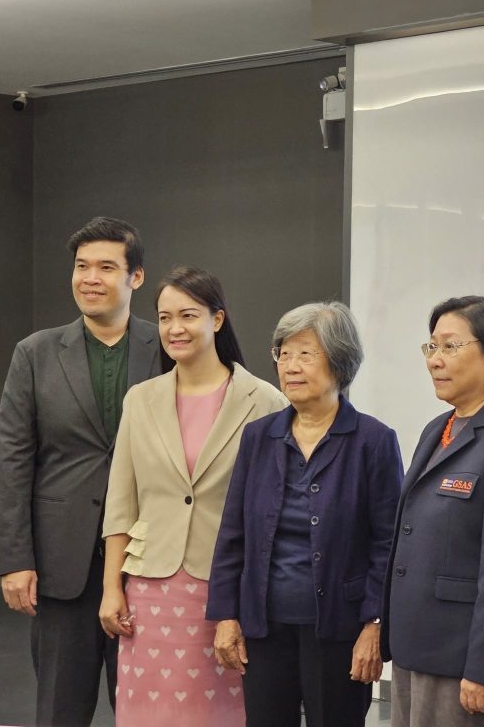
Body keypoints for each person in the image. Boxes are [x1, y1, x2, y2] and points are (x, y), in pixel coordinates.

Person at [99, 266, 287, 725]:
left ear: (217, 319)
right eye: (165, 318)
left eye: (188, 315)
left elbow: (272, 513)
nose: (174, 329)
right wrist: (111, 588)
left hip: (226, 591)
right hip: (149, 587)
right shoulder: (140, 399)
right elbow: (121, 502)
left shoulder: (265, 401)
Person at [0, 217, 162, 726]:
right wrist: (15, 558)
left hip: (150, 558)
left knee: (147, 708)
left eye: (106, 267)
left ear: (135, 277)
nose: (90, 278)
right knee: (60, 709)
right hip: (62, 562)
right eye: (82, 266)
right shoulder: (35, 353)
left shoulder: (168, 348)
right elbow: (12, 460)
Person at [206, 302, 402, 727]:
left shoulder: (373, 441)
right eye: (284, 353)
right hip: (264, 626)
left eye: (306, 354)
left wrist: (374, 624)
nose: (290, 366)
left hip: (340, 629)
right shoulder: (259, 437)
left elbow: (389, 544)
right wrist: (226, 615)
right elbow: (233, 533)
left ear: (340, 361)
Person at [382, 296, 484, 727]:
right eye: (431, 347)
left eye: (450, 347)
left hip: (470, 661)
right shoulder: (438, 428)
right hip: (417, 649)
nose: (435, 360)